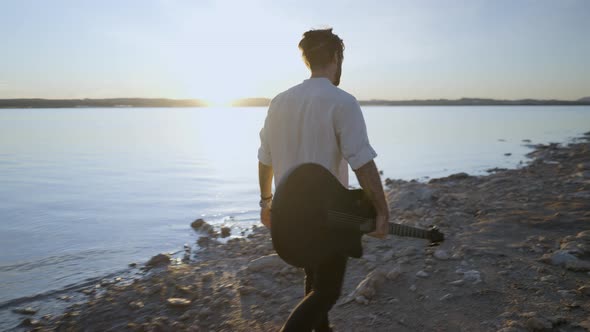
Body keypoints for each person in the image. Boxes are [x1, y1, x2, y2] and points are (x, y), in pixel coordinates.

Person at [257, 28, 390, 332]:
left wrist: (266, 202)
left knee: (313, 278)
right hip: (328, 216)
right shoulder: (342, 101)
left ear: (306, 58)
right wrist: (382, 211)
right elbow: (362, 162)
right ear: (335, 57)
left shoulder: (278, 102)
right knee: (327, 291)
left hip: (290, 212)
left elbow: (265, 159)